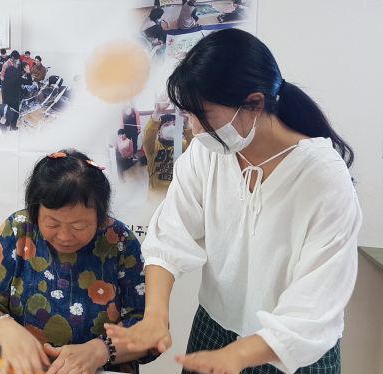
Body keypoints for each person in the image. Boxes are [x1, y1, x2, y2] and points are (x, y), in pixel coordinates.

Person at [105, 28, 361, 374]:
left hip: (290, 350)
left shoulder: (323, 178)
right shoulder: (208, 153)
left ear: (254, 104)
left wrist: (239, 355)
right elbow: (169, 237)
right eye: (189, 115)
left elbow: (317, 301)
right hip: (216, 329)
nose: (195, 129)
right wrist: (154, 317)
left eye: (203, 115)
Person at [0, 149, 156, 374]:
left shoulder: (119, 240)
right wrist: (4, 329)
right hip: (17, 368)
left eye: (79, 226)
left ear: (100, 216)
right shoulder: (20, 228)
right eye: (52, 224)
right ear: (36, 211)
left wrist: (101, 350)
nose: (64, 236)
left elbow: (148, 327)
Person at [1, 51, 31, 129]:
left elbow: (13, 74)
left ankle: (9, 123)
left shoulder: (13, 67)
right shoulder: (6, 65)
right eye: (17, 59)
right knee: (12, 110)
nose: (17, 61)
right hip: (10, 92)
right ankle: (11, 124)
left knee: (9, 108)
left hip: (9, 91)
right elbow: (2, 77)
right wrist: (28, 73)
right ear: (13, 58)